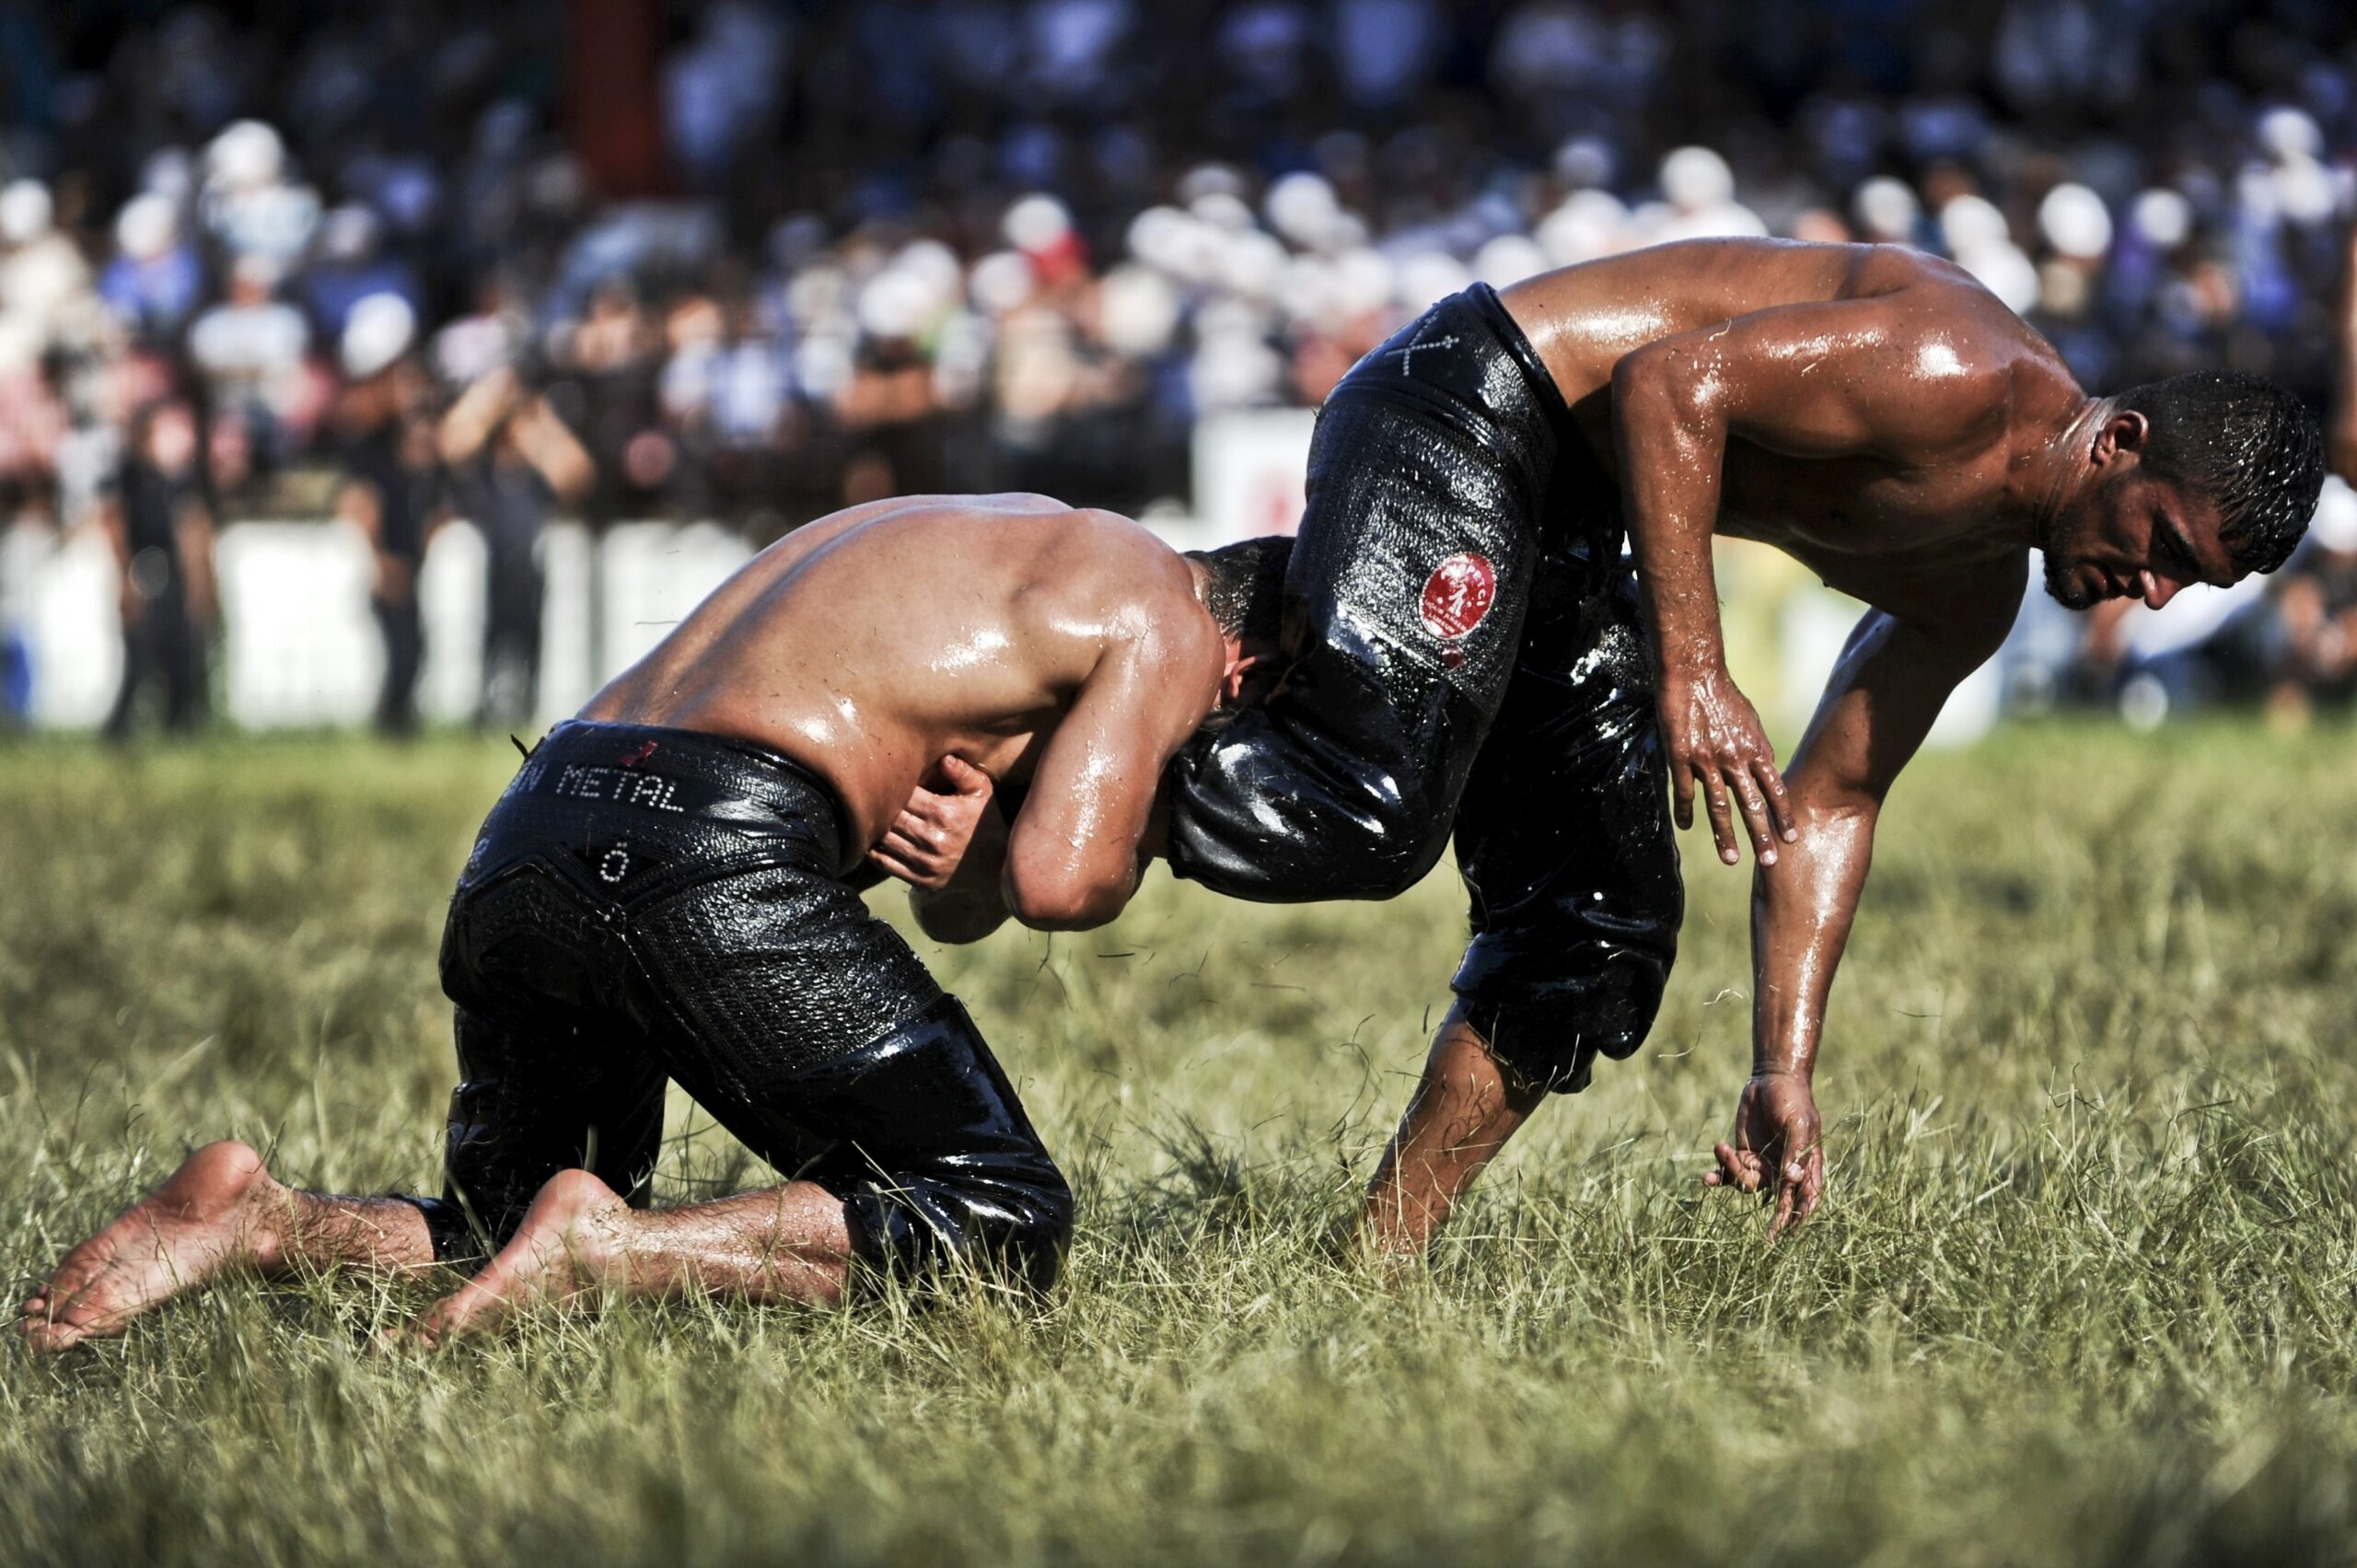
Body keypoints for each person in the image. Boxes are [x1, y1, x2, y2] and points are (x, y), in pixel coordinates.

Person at [1154, 237, 2323, 1244]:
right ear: (2117, 441)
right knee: (1371, 808)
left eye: (2188, 582)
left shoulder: (1972, 593)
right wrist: (1694, 670)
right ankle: (1096, 673)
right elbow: (1670, 386)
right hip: (1472, 403)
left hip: (1577, 511)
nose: (2155, 592)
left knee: (1594, 931)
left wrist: (1782, 1064)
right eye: (2164, 544)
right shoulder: (1959, 373)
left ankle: (1380, 1254)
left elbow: (1831, 804)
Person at [20, 494, 1284, 1351]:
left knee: (489, 1233)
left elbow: (956, 892)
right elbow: (1064, 883)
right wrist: (1077, 854)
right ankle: (604, 1247)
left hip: (540, 816)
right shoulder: (1170, 616)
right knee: (999, 1212)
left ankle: (255, 1220)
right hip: (711, 841)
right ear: (1252, 674)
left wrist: (989, 852)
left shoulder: (985, 542)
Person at [436, 363, 595, 726]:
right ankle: (484, 713)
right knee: (490, 642)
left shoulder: (537, 468)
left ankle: (525, 709)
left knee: (530, 643)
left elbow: (577, 476)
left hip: (530, 563)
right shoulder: (484, 465)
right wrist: (488, 400)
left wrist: (540, 427)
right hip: (494, 563)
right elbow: (453, 443)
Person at [100, 399, 216, 739]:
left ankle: (178, 729)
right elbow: (116, 526)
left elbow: (190, 532)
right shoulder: (127, 476)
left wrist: (198, 582)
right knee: (140, 657)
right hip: (144, 571)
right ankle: (119, 733)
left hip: (171, 574)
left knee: (179, 656)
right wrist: (125, 579)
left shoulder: (171, 480)